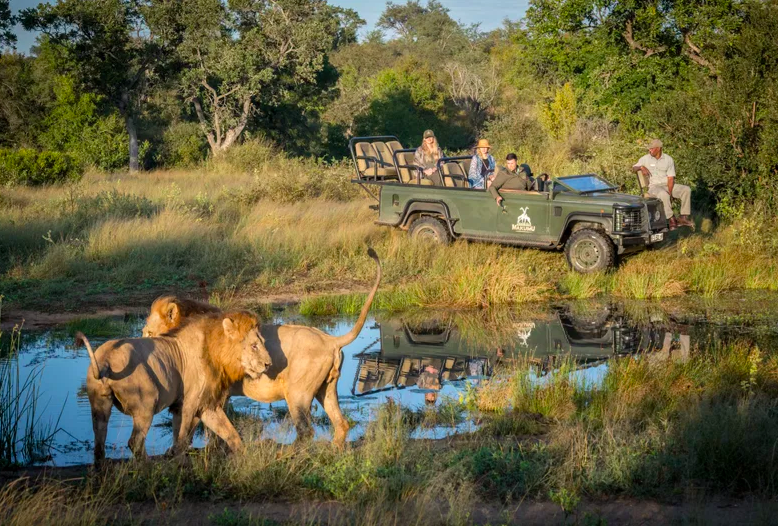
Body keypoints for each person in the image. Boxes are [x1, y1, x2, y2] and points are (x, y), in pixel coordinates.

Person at [632, 139, 693, 229]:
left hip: (667, 184)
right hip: (654, 187)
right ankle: (671, 219)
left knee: (686, 190)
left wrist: (670, 192)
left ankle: (683, 217)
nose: (650, 150)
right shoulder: (645, 158)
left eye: (652, 149)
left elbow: (671, 178)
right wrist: (641, 167)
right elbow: (633, 168)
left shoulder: (668, 159)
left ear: (658, 148)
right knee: (663, 194)